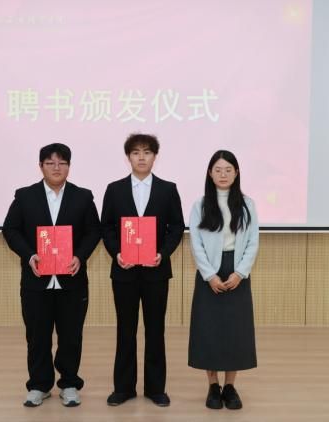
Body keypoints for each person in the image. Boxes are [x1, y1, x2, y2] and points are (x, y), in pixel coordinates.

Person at [2, 143, 101, 408]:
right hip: (36, 280)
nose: (56, 168)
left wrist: (80, 256)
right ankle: (39, 385)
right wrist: (29, 255)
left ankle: (69, 384)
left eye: (62, 163)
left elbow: (94, 231)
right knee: (37, 336)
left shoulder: (83, 197)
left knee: (71, 336)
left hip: (72, 280)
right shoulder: (25, 196)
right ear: (41, 166)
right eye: (50, 163)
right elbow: (10, 230)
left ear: (69, 166)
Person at [101, 133, 184, 407]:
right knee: (125, 330)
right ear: (128, 157)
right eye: (136, 152)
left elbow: (176, 227)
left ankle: (155, 388)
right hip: (124, 271)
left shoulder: (167, 189)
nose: (141, 157)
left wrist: (163, 253)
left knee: (155, 330)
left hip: (156, 271)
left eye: (147, 152)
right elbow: (107, 227)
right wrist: (117, 253)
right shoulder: (114, 189)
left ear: (154, 157)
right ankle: (123, 388)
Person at [188, 150, 259, 410]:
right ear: (210, 173)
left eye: (228, 170)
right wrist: (209, 275)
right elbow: (196, 244)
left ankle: (230, 386)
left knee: (234, 332)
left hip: (237, 271)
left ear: (236, 173)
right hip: (210, 273)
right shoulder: (200, 205)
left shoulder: (247, 204)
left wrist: (240, 272)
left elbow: (253, 241)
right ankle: (213, 386)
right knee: (210, 331)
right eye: (218, 170)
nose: (223, 174)